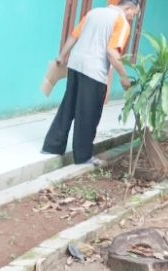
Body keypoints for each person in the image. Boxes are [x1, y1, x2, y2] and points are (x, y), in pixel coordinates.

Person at [41, 0, 140, 165]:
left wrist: (62, 56)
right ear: (128, 7)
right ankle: (83, 156)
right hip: (94, 71)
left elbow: (74, 35)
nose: (132, 17)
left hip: (75, 65)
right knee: (89, 114)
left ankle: (52, 146)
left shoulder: (93, 13)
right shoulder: (121, 21)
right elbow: (111, 52)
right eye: (134, 14)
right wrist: (124, 76)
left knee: (69, 106)